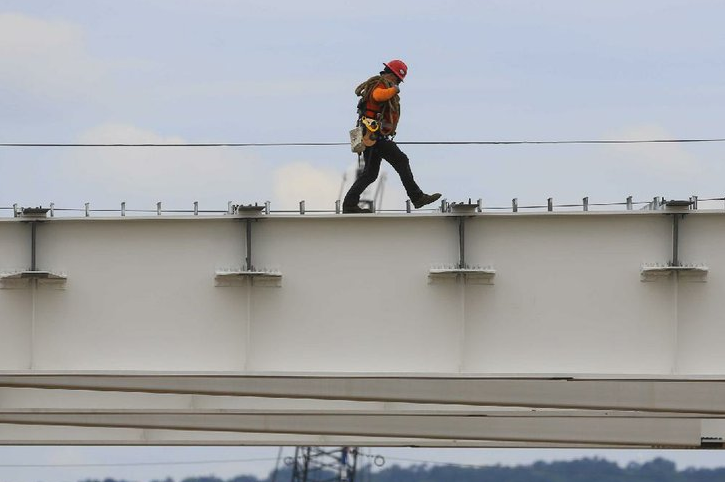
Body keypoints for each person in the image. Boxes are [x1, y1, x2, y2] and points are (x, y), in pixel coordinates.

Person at [343, 59, 441, 214]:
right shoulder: (380, 84)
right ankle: (417, 197)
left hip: (372, 136)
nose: (398, 84)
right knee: (401, 160)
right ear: (393, 76)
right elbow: (378, 96)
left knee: (370, 174)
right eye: (398, 81)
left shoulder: (380, 84)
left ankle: (349, 204)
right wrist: (394, 90)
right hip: (374, 136)